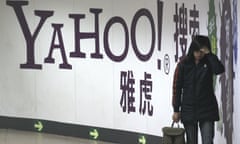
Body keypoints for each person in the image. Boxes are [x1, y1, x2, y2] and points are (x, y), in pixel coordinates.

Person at [172, 35, 225, 144]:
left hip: (207, 109)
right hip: (188, 109)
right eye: (197, 51)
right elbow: (177, 88)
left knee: (208, 140)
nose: (199, 54)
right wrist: (176, 110)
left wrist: (209, 54)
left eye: (202, 52)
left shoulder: (209, 62)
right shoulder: (183, 65)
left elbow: (219, 69)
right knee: (191, 141)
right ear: (192, 50)